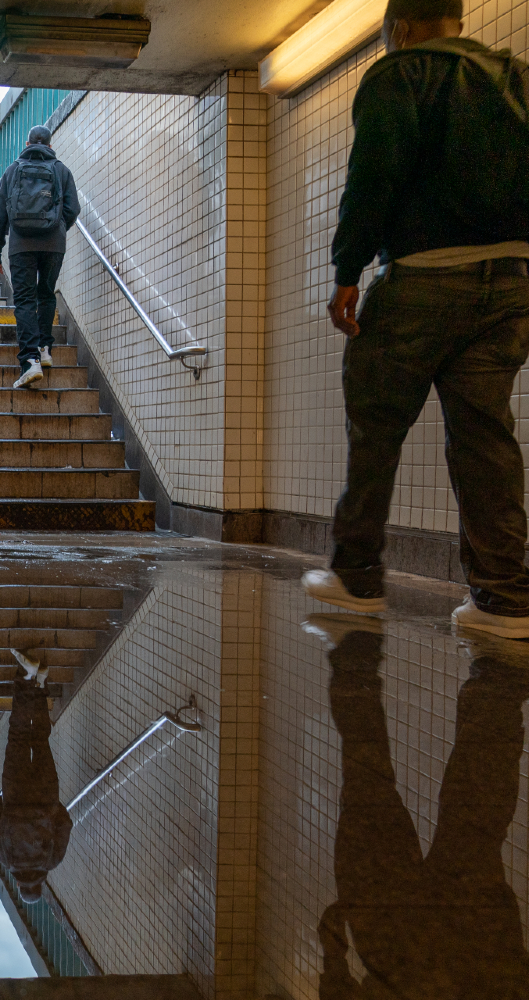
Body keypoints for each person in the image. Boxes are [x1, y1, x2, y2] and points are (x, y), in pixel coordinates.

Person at [303, 0, 529, 639]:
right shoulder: (518, 77)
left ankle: (356, 577)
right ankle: (505, 601)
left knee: (375, 425)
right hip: (512, 283)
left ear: (397, 27)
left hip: (425, 277)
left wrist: (348, 270)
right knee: (486, 437)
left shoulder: (399, 74)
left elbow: (372, 177)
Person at [302, 614, 529, 997]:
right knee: (368, 782)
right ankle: (355, 656)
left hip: (476, 960)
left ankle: (499, 672)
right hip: (402, 950)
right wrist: (334, 955)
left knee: (473, 814)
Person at [0, 124, 80, 390]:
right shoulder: (61, 170)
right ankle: (44, 347)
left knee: (26, 299)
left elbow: (1, 218)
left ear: (27, 144)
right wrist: (57, 226)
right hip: (54, 243)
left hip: (21, 245)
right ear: (50, 146)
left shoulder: (13, 170)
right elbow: (73, 208)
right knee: (46, 293)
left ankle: (29, 361)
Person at [0, 649, 71, 903]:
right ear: (19, 883)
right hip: (15, 790)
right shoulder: (5, 858)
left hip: (45, 791)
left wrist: (51, 806)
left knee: (40, 740)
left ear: (41, 885)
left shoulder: (52, 860)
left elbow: (65, 823)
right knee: (19, 736)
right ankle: (26, 676)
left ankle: (41, 682)